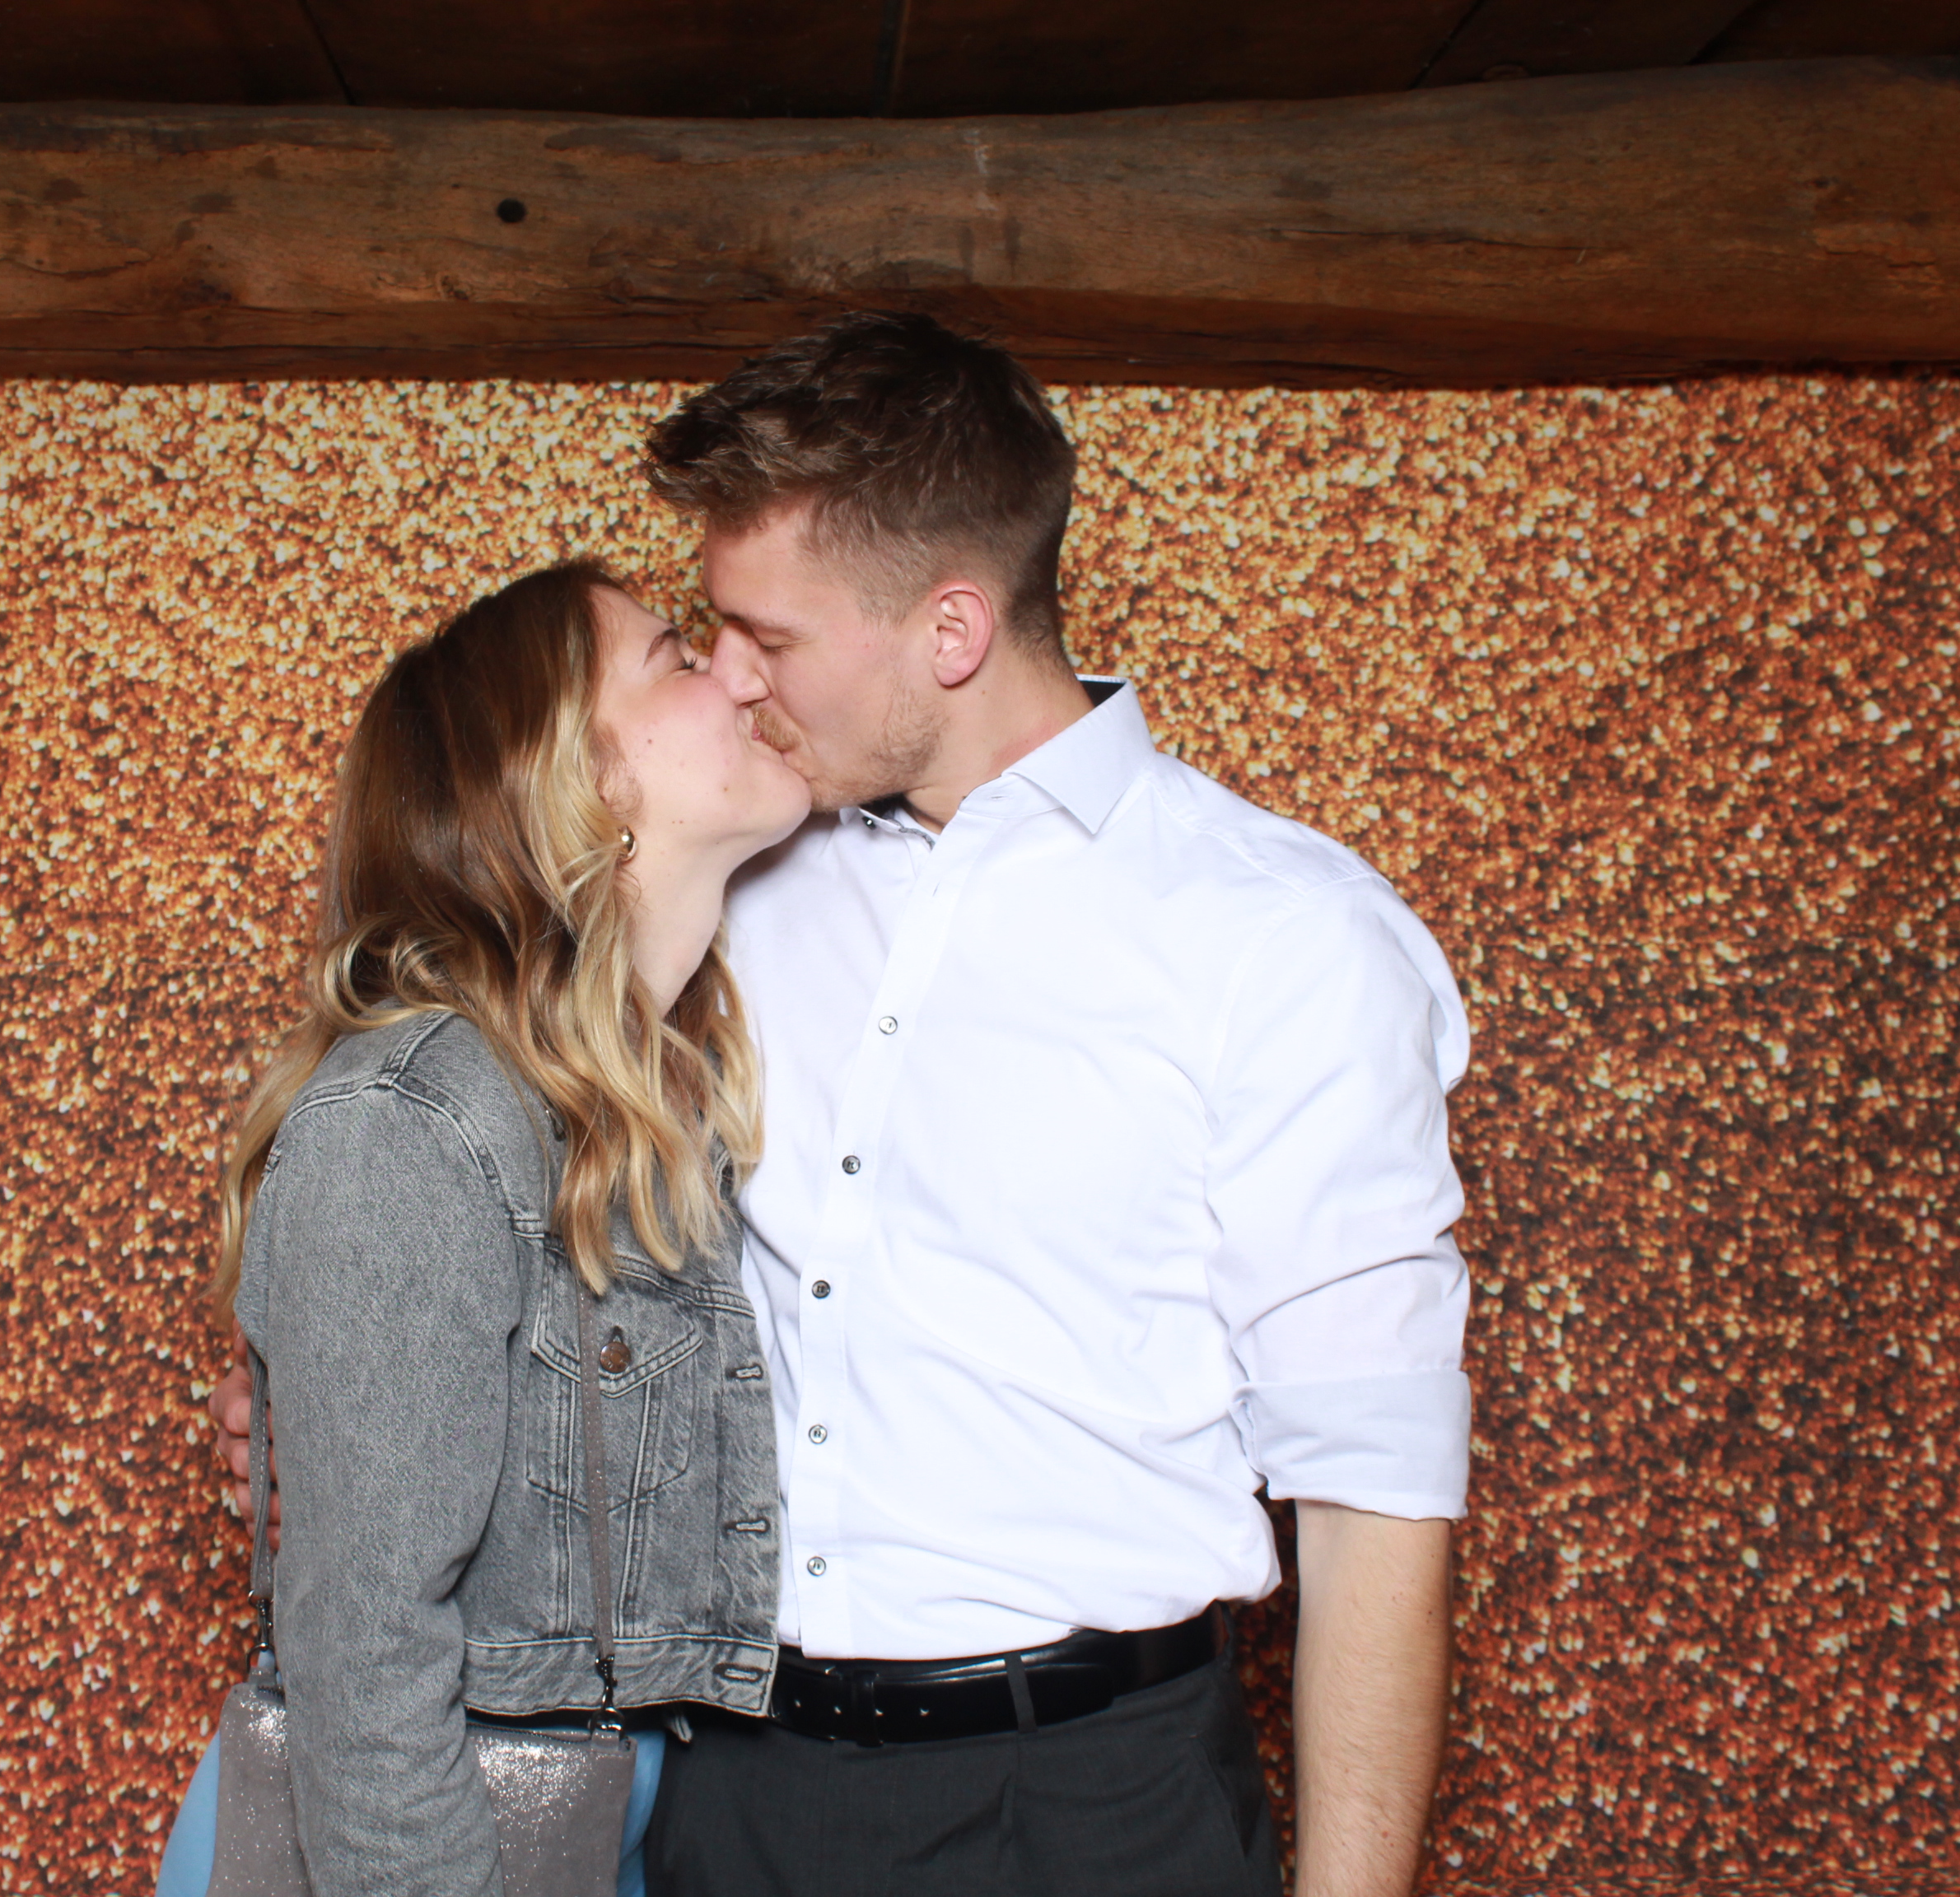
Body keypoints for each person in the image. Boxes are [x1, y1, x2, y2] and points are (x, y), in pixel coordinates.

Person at [218, 313, 1469, 1897]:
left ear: (949, 631)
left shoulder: (1285, 937)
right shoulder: (726, 877)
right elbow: (484, 1215)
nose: (736, 679)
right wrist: (336, 1410)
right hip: (721, 1789)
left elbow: (1377, 1487)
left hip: (1092, 1803)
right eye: (701, 639)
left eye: (767, 636)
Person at [175, 562, 808, 1897]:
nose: (737, 673)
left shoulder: (643, 1108)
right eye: (677, 657)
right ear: (576, 783)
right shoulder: (413, 1120)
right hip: (420, 1845)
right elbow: (366, 1656)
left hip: (598, 1823)